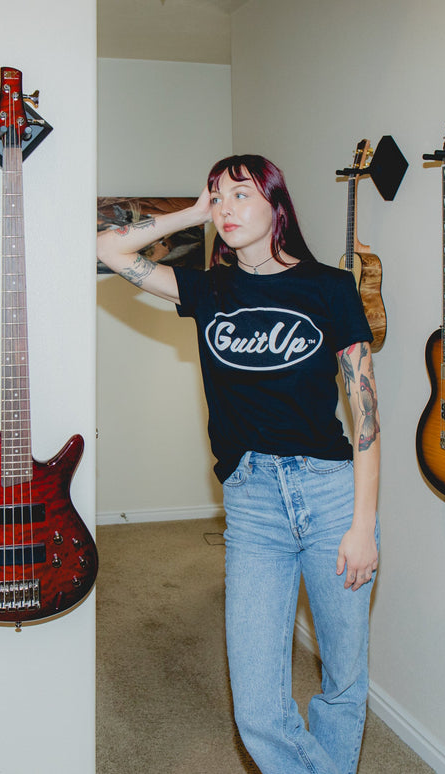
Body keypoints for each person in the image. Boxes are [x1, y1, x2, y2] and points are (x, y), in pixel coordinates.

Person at [97, 154, 380, 774]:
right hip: (253, 505)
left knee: (342, 679)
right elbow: (109, 249)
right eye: (217, 197)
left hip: (331, 495)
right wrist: (192, 213)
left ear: (277, 205)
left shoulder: (331, 288)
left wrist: (364, 525)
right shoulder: (208, 289)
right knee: (257, 711)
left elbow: (365, 417)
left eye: (240, 194)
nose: (225, 207)